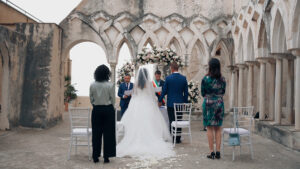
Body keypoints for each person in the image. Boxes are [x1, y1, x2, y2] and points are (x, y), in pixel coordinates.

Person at [117, 67, 175, 159]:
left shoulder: (136, 84)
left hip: (137, 104)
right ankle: (150, 138)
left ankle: (135, 139)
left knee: (137, 122)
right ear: (147, 75)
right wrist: (156, 101)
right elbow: (152, 96)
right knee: (149, 121)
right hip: (147, 104)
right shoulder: (149, 84)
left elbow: (134, 95)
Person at [89, 65, 116, 163]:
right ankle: (106, 157)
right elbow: (113, 99)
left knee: (96, 133)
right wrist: (110, 106)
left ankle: (95, 156)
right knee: (108, 134)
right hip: (108, 110)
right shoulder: (110, 85)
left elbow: (91, 99)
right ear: (107, 74)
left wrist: (96, 104)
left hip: (96, 110)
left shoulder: (92, 85)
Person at [201, 58, 226, 159]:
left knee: (209, 128)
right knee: (218, 128)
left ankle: (211, 152)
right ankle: (218, 152)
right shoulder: (223, 79)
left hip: (208, 104)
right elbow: (223, 92)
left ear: (210, 67)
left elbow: (203, 93)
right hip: (219, 103)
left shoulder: (205, 79)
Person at [159, 62, 189, 144]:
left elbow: (164, 91)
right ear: (178, 68)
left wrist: (160, 100)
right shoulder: (183, 78)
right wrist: (185, 102)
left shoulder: (168, 78)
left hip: (171, 103)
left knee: (172, 120)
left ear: (171, 69)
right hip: (179, 104)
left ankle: (172, 137)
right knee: (179, 120)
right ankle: (178, 138)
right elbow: (186, 92)